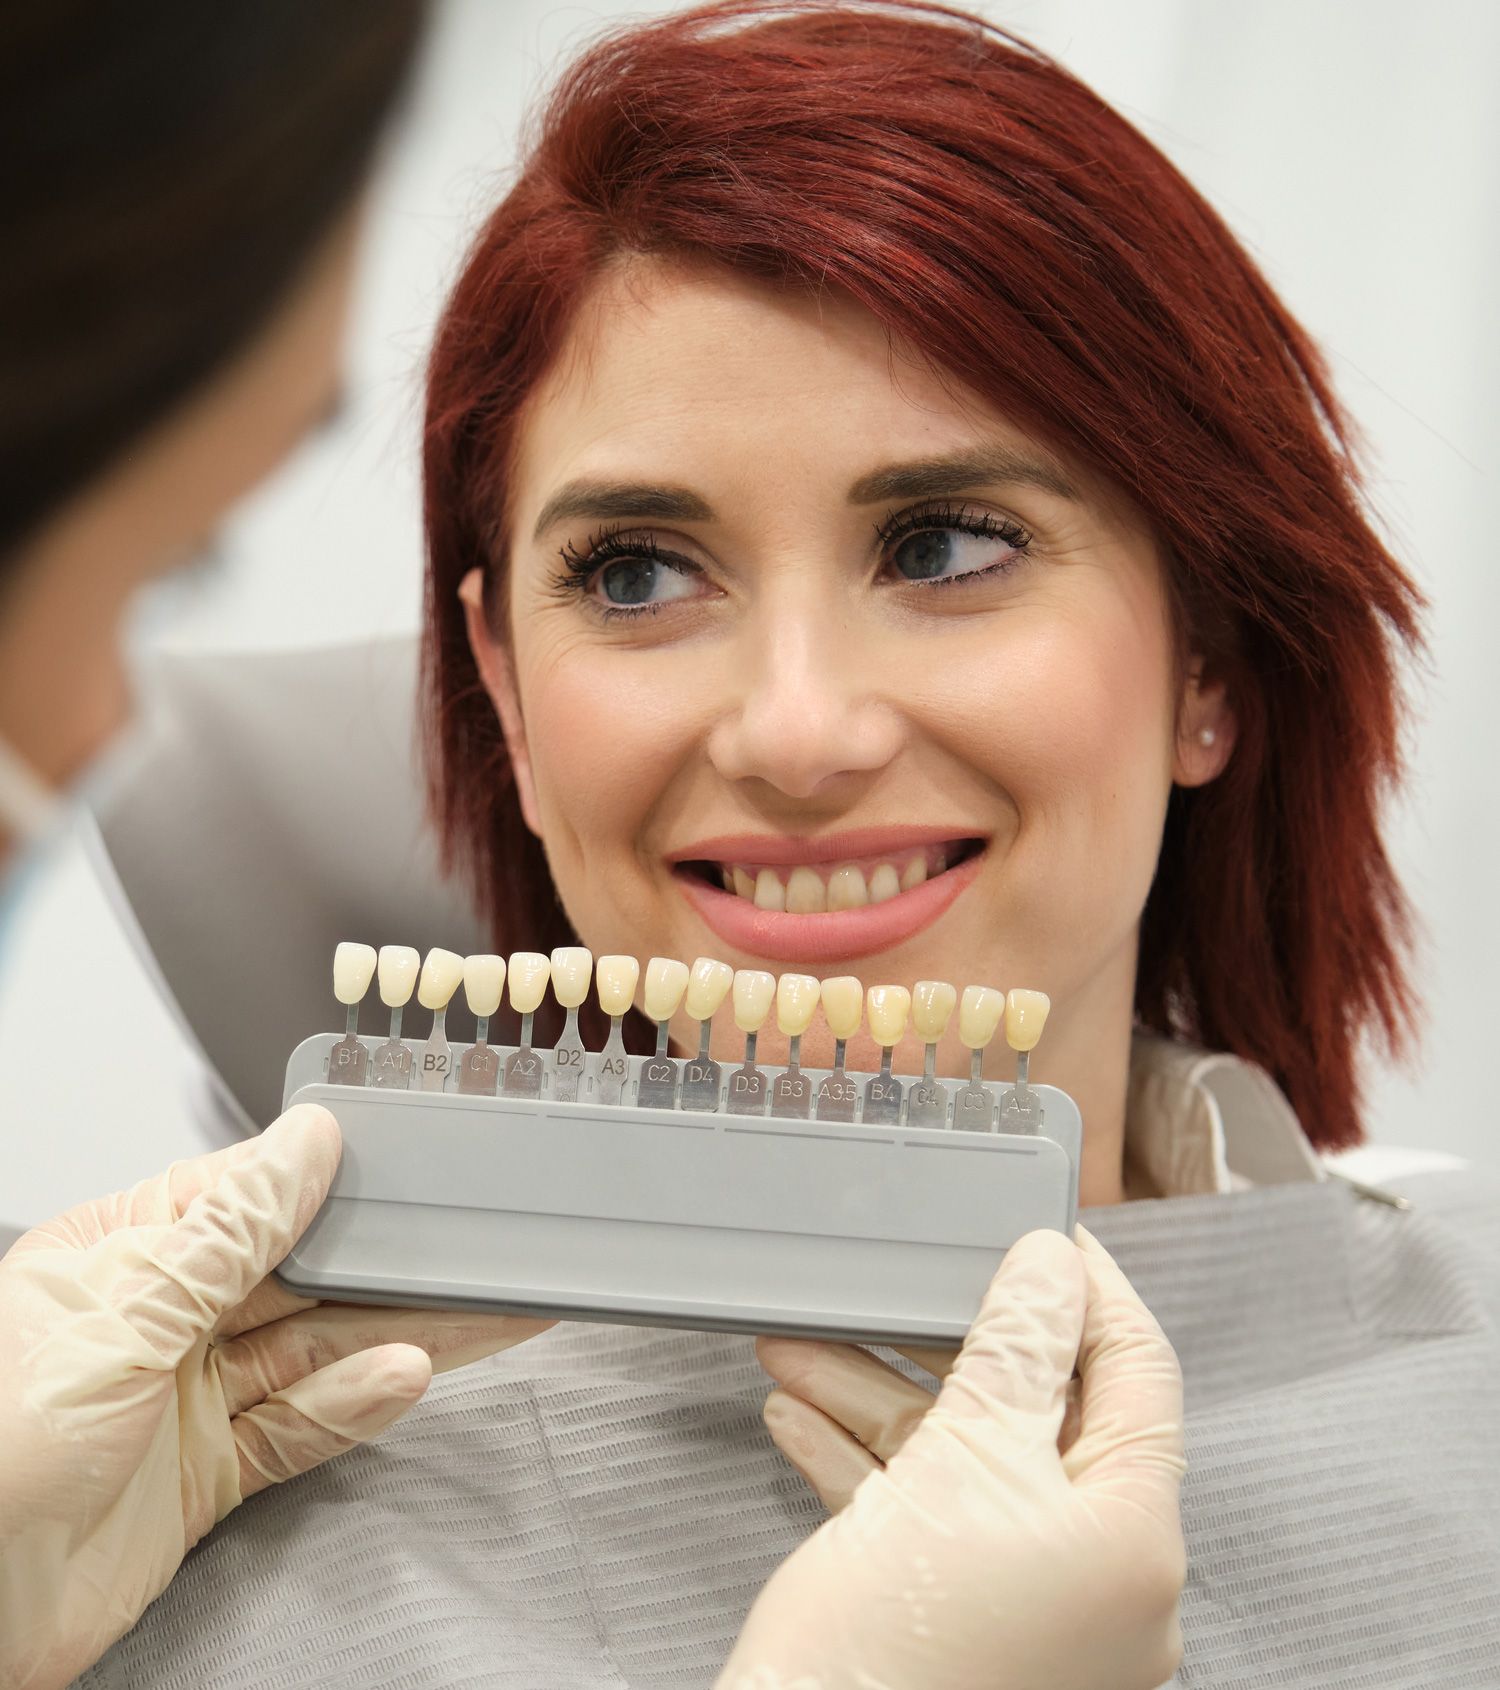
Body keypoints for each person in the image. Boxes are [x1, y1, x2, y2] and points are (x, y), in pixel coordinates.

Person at [79, 3, 1499, 1688]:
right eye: (635, 574)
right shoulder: (153, 1532)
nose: (798, 731)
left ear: (1209, 664)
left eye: (951, 542)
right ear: (510, 703)